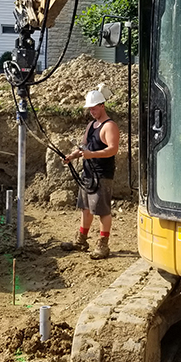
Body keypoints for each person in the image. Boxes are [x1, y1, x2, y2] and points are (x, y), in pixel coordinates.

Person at [60, 83, 121, 259]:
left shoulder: (110, 126)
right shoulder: (91, 126)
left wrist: (91, 154)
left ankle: (103, 244)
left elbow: (113, 149)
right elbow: (84, 147)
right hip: (87, 174)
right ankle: (81, 241)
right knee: (85, 208)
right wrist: (72, 156)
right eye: (90, 109)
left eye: (94, 108)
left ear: (102, 106)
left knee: (102, 211)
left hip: (102, 175)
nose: (92, 112)